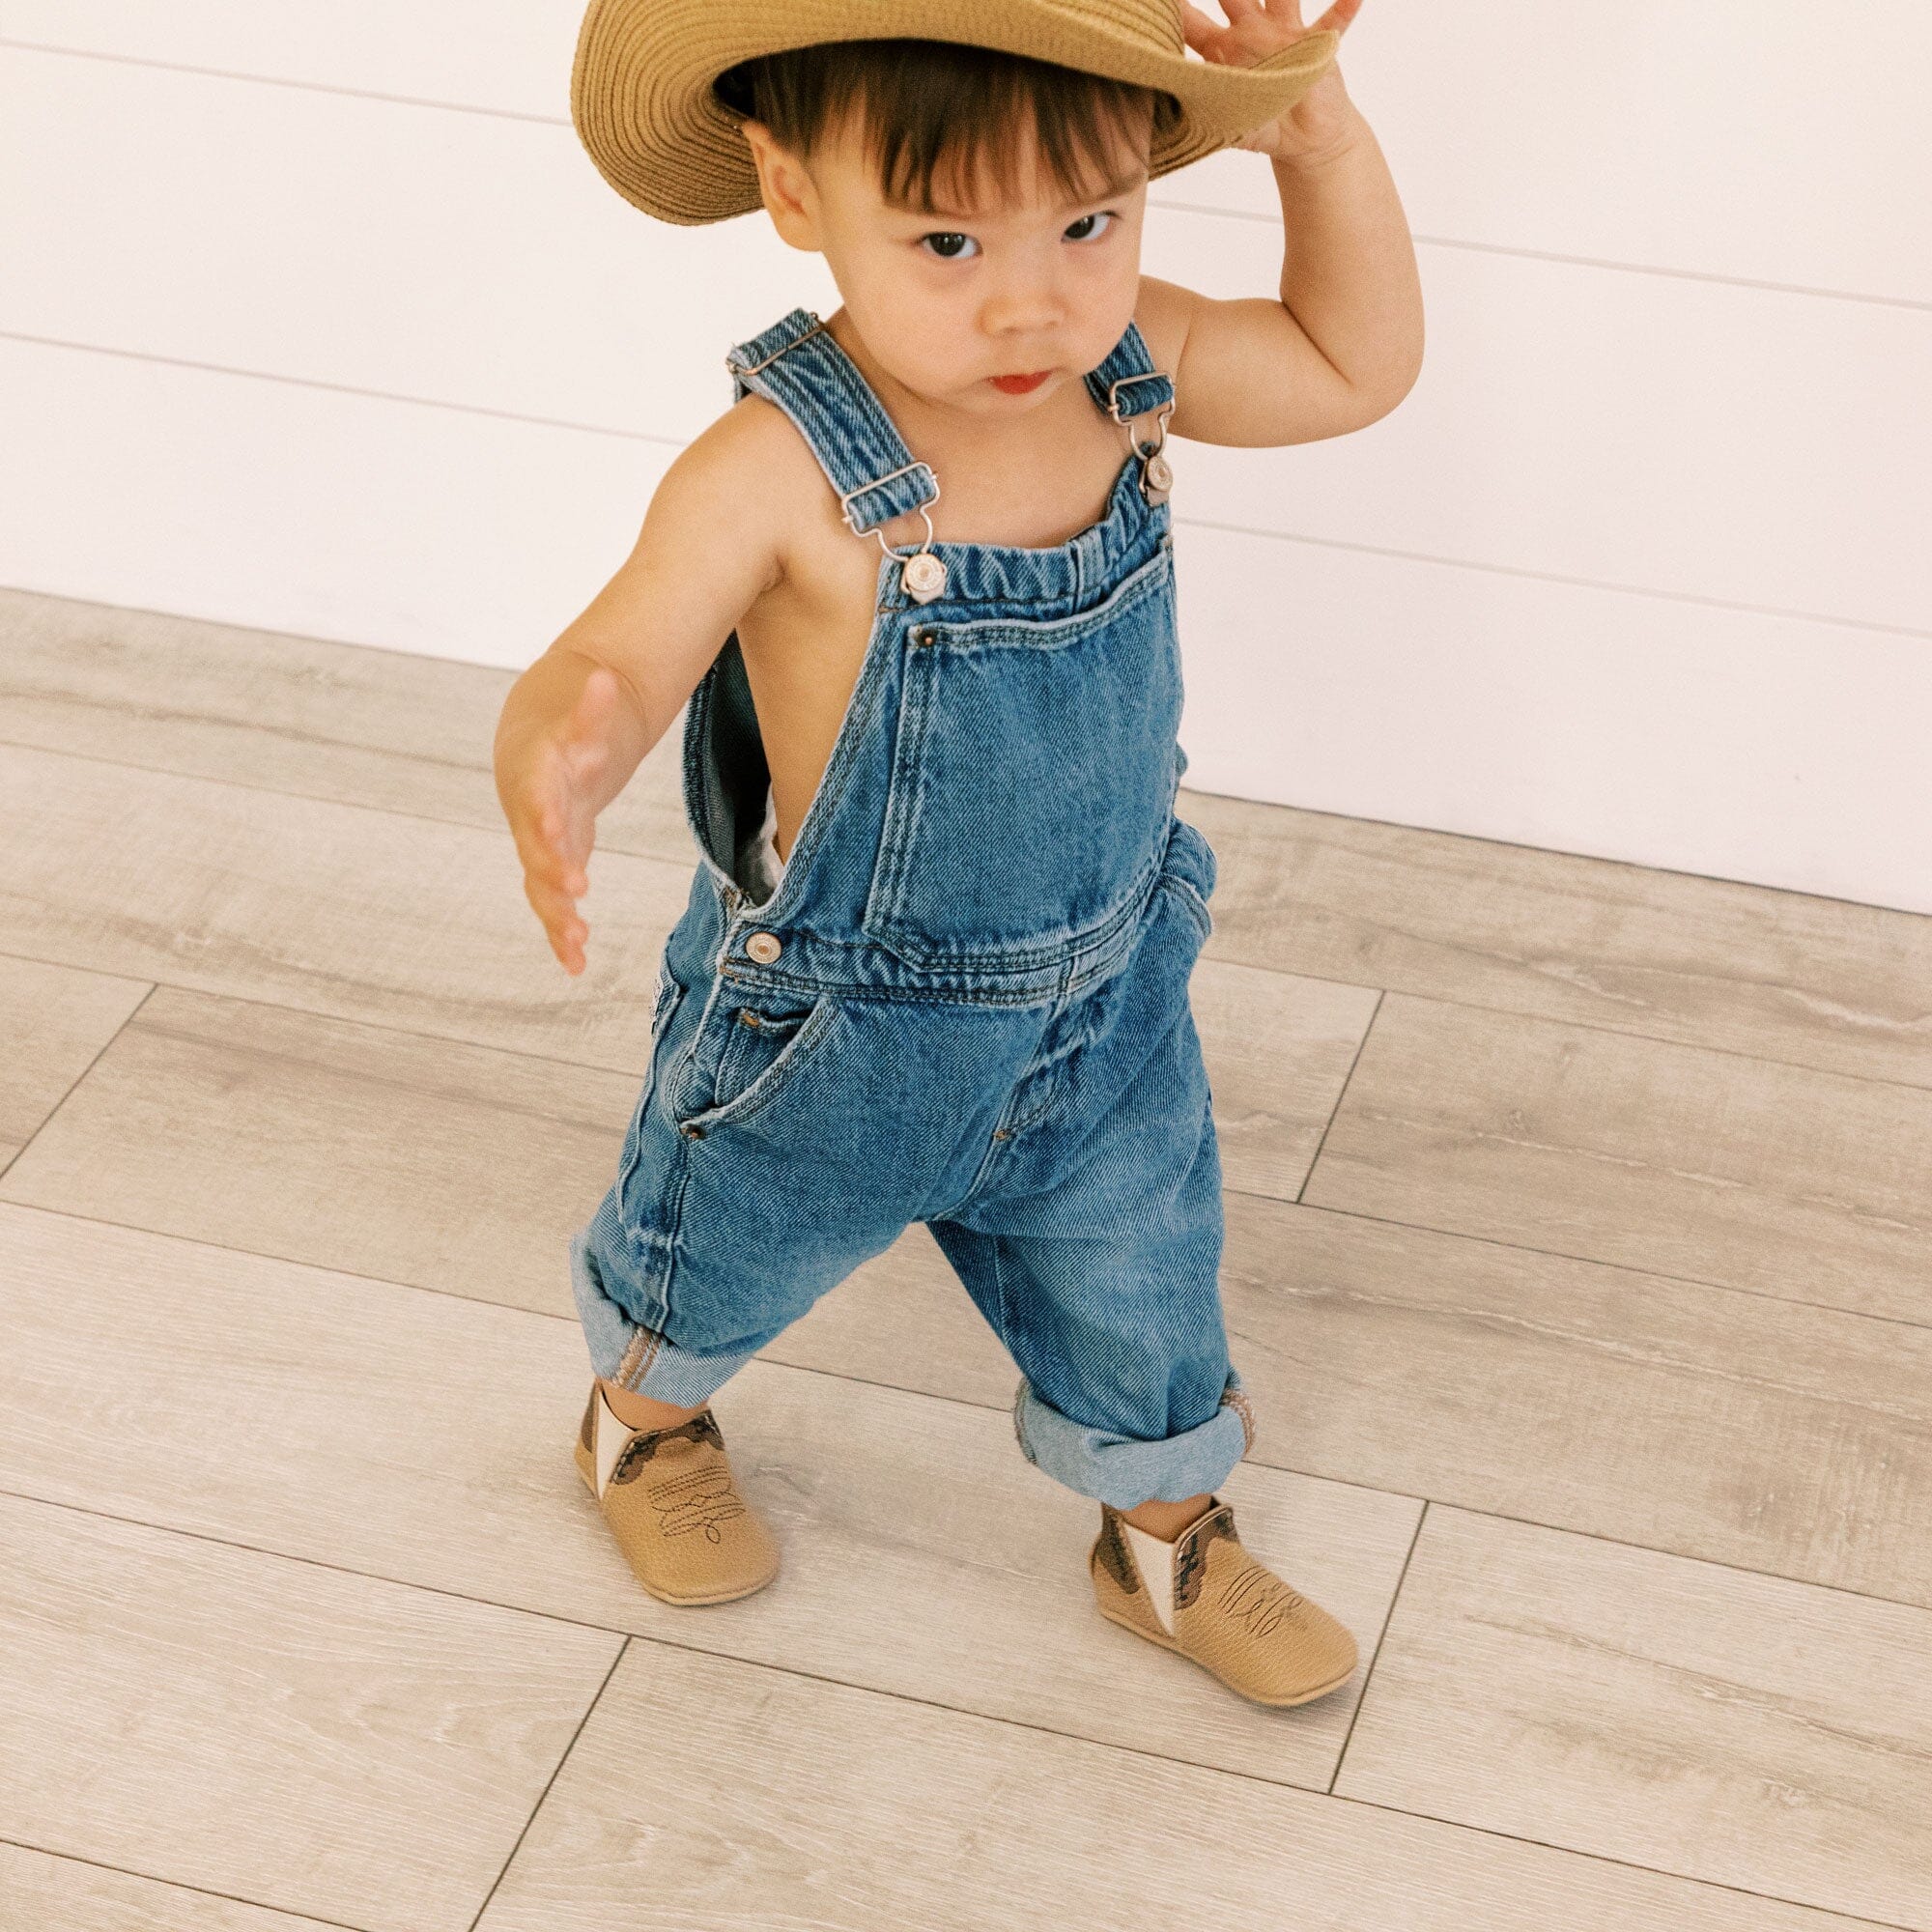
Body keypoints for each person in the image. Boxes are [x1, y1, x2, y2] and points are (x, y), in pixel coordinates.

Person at [493, 0, 1422, 1707]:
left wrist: (1323, 143)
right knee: (717, 1250)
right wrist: (566, 742)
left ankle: (1163, 1534)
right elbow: (621, 652)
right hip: (841, 1031)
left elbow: (1355, 367)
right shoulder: (780, 463)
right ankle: (644, 1424)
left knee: (1143, 1283)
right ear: (794, 192)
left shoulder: (1137, 366)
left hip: (1105, 1009)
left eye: (1090, 223)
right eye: (946, 241)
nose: (1030, 303)